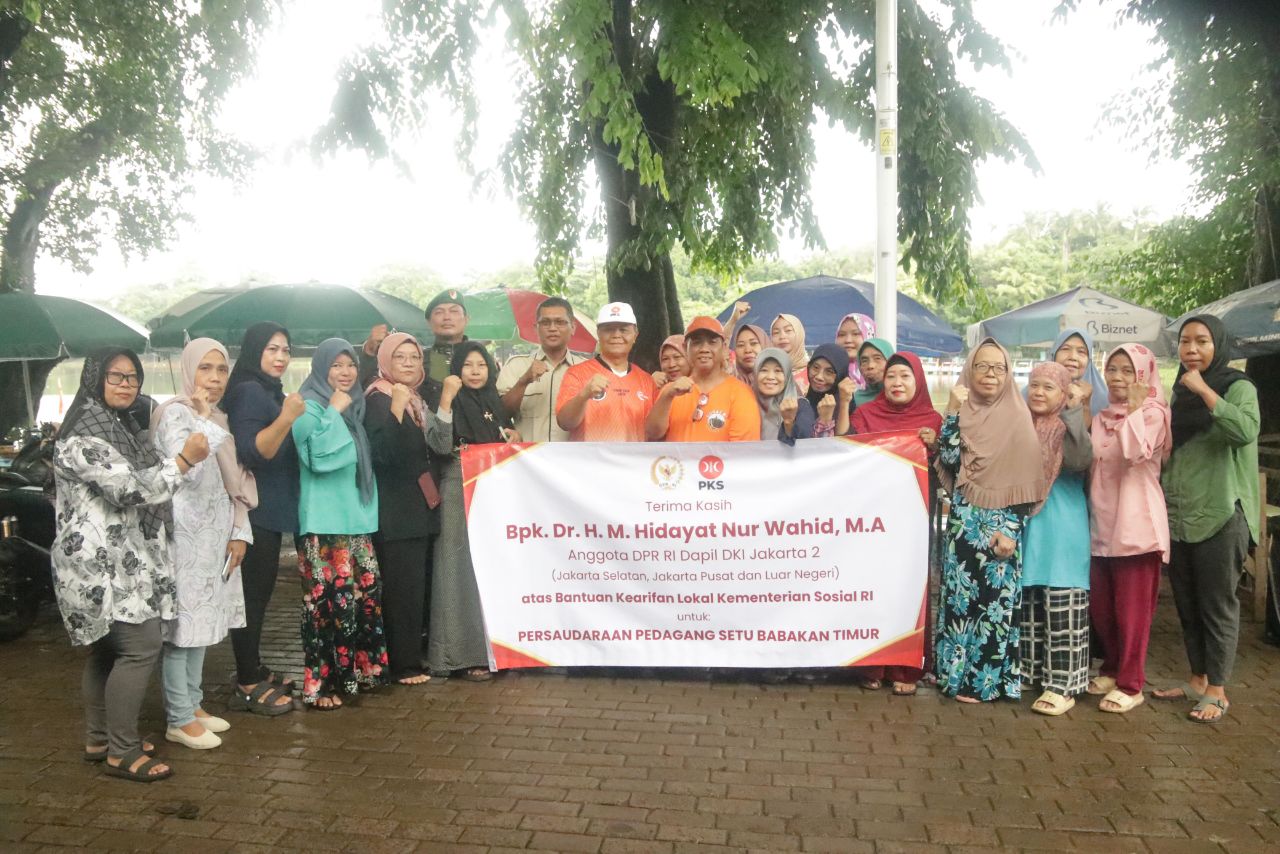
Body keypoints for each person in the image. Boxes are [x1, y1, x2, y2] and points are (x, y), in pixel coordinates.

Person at [52, 348, 211, 782]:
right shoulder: (86, 435)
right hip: (101, 567)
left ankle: (99, 739)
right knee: (140, 647)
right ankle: (121, 750)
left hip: (118, 562)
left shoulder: (118, 424)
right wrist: (184, 461)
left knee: (107, 650)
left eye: (132, 377)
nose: (125, 384)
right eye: (115, 376)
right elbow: (128, 489)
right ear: (95, 379)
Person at [1153, 316, 1260, 723]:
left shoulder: (1238, 387)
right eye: (1185, 342)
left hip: (1222, 512)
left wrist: (1205, 391)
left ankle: (1217, 690)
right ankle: (1197, 680)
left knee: (1217, 605)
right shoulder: (1180, 394)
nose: (1192, 349)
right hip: (1180, 514)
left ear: (1219, 345)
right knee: (1188, 603)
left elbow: (1245, 430)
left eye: (1202, 341)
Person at [152, 339, 257, 749]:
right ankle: (178, 718)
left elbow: (234, 483)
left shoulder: (216, 416)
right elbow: (189, 471)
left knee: (203, 626)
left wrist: (238, 531)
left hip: (213, 537)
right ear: (188, 370)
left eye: (221, 369)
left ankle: (193, 705)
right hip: (183, 538)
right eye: (205, 368)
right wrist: (203, 419)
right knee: (183, 630)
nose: (214, 378)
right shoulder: (174, 414)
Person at [934, 338, 1048, 703]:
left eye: (999, 368)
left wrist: (1011, 531)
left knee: (992, 608)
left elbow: (1026, 480)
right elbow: (949, 460)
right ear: (969, 370)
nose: (990, 374)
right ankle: (952, 675)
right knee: (959, 602)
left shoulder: (1017, 417)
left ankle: (982, 683)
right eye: (982, 366)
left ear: (1008, 373)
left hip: (1000, 528)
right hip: (963, 524)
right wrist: (952, 412)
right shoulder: (963, 412)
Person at [293, 339, 389, 709]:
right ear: (320, 369)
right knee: (326, 609)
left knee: (362, 602)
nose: (345, 372)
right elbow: (317, 456)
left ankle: (360, 673)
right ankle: (324, 684)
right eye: (336, 365)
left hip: (356, 522)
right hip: (323, 525)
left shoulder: (357, 409)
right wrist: (333, 410)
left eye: (350, 365)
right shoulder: (307, 406)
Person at [848, 351, 942, 695]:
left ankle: (905, 667)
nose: (897, 383)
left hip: (912, 520)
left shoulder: (933, 420)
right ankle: (872, 665)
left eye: (905, 376)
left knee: (908, 588)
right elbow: (848, 460)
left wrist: (936, 446)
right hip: (871, 518)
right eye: (891, 376)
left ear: (918, 381)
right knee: (871, 587)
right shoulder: (864, 415)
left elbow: (946, 471)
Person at [426, 341, 517, 680]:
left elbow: (501, 438)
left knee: (491, 567)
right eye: (467, 365)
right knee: (457, 568)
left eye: (481, 365)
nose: (475, 371)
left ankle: (494, 651)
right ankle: (457, 655)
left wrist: (513, 436)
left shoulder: (493, 400)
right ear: (456, 370)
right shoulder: (448, 397)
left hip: (492, 487)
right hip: (457, 485)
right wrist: (446, 399)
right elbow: (439, 444)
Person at [1088, 343, 1171, 714]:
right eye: (1112, 369)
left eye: (1127, 371)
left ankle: (1131, 683)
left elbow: (1133, 452)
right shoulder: (1100, 417)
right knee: (1103, 608)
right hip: (1101, 523)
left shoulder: (1154, 413)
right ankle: (1112, 667)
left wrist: (1135, 410)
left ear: (1143, 375)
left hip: (1136, 527)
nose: (1118, 378)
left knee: (1132, 613)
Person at [224, 322, 301, 716]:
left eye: (285, 350)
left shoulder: (269, 390)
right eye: (272, 349)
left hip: (269, 511)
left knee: (258, 595)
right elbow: (254, 452)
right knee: (251, 599)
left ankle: (253, 666)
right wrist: (287, 417)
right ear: (255, 350)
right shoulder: (249, 391)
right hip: (255, 513)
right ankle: (247, 680)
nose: (281, 357)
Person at [1018, 362, 1093, 716]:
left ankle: (1063, 685)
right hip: (1030, 526)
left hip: (1063, 527)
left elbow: (1080, 461)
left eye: (1049, 387)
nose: (1038, 392)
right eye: (1034, 385)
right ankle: (1031, 673)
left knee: (1063, 604)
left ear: (1064, 393)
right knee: (1030, 603)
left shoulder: (1069, 424)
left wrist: (1074, 413)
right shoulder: (1021, 424)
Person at [364, 333, 436, 686]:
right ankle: (404, 664)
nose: (408, 363)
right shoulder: (379, 397)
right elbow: (383, 454)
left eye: (414, 357)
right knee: (402, 590)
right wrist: (395, 406)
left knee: (415, 586)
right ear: (385, 361)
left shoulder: (416, 399)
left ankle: (412, 654)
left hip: (418, 507)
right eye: (400, 357)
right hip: (396, 510)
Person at [646, 317, 762, 442]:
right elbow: (653, 433)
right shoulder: (671, 391)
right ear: (685, 348)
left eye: (712, 342)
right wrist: (667, 396)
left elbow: (743, 450)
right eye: (697, 342)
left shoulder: (741, 393)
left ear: (724, 348)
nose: (704, 349)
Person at [556, 302, 657, 442]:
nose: (616, 335)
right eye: (609, 329)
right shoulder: (577, 373)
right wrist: (584, 395)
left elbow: (656, 432)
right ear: (598, 333)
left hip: (633, 456)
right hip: (591, 456)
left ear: (635, 335)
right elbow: (565, 423)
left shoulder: (647, 380)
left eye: (623, 330)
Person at [496, 297, 588, 442]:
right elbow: (500, 413)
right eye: (545, 322)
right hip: (530, 454)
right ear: (536, 328)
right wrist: (523, 381)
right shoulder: (516, 365)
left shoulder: (587, 368)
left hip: (573, 455)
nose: (552, 328)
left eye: (560, 322)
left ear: (573, 328)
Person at [421, 289, 470, 410]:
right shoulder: (418, 359)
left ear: (466, 319)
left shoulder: (480, 358)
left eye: (454, 311)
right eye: (439, 312)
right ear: (428, 322)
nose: (447, 317)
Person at [752, 348, 815, 442]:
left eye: (778, 371)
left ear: (787, 375)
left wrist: (789, 422)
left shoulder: (800, 407)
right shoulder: (746, 403)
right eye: (764, 370)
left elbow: (806, 443)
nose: (770, 377)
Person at [1048, 327, 1108, 419]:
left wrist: (1085, 405)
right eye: (1065, 349)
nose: (1073, 357)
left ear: (1089, 361)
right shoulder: (1033, 393)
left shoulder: (1103, 400)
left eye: (1081, 351)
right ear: (1054, 354)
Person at [805, 343, 854, 437]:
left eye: (829, 372)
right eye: (815, 368)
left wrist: (844, 403)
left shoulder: (847, 403)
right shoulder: (802, 403)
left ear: (840, 376)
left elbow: (845, 441)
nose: (819, 377)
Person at [770, 313, 810, 394]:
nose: (782, 336)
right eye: (776, 332)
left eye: (788, 330)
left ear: (799, 334)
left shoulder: (813, 372)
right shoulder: (767, 372)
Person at [836, 313, 876, 387]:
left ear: (869, 335)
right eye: (842, 335)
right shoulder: (830, 374)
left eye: (856, 334)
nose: (848, 340)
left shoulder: (883, 375)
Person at [854, 338, 896, 407]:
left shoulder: (901, 396)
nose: (870, 366)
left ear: (890, 362)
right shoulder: (853, 401)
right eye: (864, 361)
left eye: (877, 358)